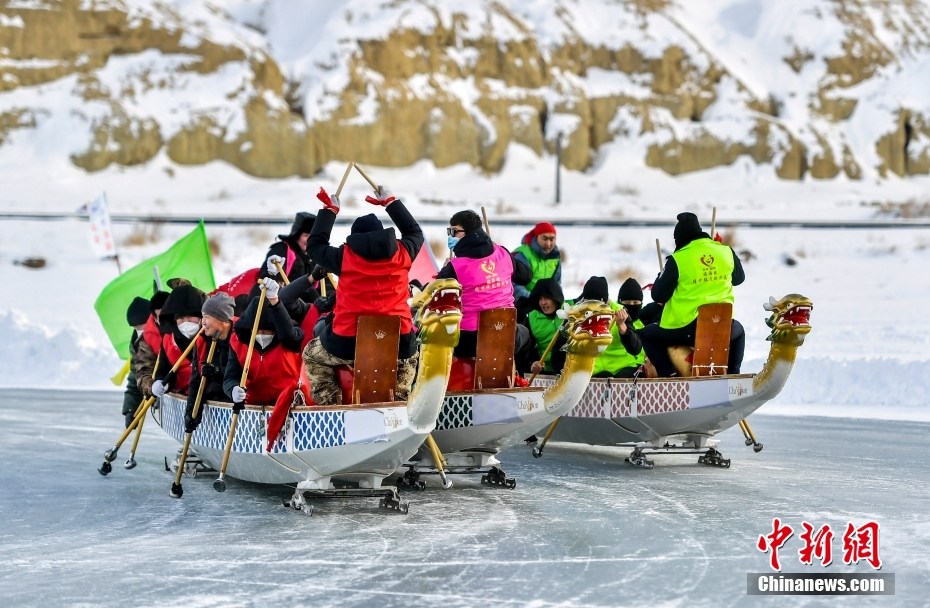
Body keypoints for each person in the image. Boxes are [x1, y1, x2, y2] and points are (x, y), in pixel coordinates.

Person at [301, 185, 423, 405]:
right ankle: (401, 401)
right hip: (399, 339)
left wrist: (329, 211)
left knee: (311, 354)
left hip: (348, 341)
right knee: (411, 355)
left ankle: (331, 407)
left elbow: (314, 245)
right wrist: (391, 203)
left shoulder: (343, 256)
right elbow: (415, 232)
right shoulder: (403, 252)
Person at [639, 212, 746, 377]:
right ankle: (733, 374)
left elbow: (658, 296)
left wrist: (662, 277)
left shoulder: (678, 259)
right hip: (722, 325)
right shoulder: (725, 251)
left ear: (679, 238)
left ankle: (668, 375)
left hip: (688, 329)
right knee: (739, 331)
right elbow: (739, 279)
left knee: (647, 334)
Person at [435, 209, 531, 360]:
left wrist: (444, 270)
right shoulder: (502, 253)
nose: (450, 236)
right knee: (525, 333)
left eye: (454, 232)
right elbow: (526, 276)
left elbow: (433, 295)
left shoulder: (456, 267)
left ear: (469, 233)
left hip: (470, 339)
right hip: (506, 332)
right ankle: (515, 374)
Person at [224, 278, 305, 406]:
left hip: (289, 405)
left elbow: (288, 333)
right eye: (257, 331)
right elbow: (230, 377)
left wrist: (274, 301)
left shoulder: (289, 339)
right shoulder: (237, 342)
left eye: (267, 331)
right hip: (254, 407)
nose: (261, 335)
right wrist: (232, 389)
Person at [184, 292, 237, 432]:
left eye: (207, 317)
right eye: (202, 317)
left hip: (235, 403)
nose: (203, 322)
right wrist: (191, 412)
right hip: (212, 399)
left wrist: (218, 372)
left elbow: (243, 377)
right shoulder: (202, 340)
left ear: (224, 320)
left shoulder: (240, 339)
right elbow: (195, 380)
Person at [151, 284, 207, 398]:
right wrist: (162, 383)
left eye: (191, 317)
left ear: (201, 316)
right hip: (183, 398)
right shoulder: (168, 341)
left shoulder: (211, 338)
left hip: (210, 398)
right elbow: (164, 369)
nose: (186, 322)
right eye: (181, 318)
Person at [520, 278, 566, 376]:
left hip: (568, 370)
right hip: (545, 373)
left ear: (556, 297)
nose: (543, 302)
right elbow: (528, 348)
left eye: (547, 298)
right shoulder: (531, 318)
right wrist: (533, 362)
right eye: (540, 298)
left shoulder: (570, 312)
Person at [513, 221, 561, 314]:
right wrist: (535, 300)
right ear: (536, 237)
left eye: (552, 239)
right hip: (524, 302)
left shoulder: (555, 256)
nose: (548, 243)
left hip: (546, 303)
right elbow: (516, 285)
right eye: (544, 238)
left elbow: (557, 283)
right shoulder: (523, 255)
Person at [259, 211, 316, 284]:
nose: (309, 240)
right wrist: (274, 275)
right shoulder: (280, 250)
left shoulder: (316, 256)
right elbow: (267, 278)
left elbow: (326, 284)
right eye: (306, 235)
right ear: (297, 235)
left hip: (312, 295)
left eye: (313, 237)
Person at [135, 290, 169, 399]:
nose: (167, 320)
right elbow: (143, 370)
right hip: (168, 395)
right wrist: (152, 386)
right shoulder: (146, 339)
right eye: (162, 317)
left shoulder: (189, 325)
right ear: (155, 318)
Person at [122, 296, 150, 427]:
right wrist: (131, 409)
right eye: (135, 327)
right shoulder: (136, 343)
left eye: (140, 326)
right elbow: (135, 374)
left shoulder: (165, 336)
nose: (138, 331)